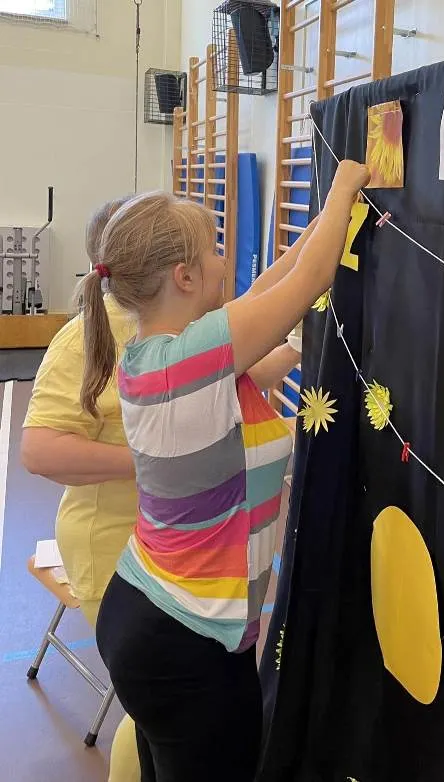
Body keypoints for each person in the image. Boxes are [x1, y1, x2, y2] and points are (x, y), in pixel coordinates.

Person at [87, 160, 370, 781]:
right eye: (215, 251)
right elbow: (307, 279)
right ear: (185, 277)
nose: (225, 262)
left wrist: (327, 220)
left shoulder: (165, 355)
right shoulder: (191, 356)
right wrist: (347, 184)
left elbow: (268, 289)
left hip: (157, 617)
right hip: (185, 640)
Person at [22, 196, 141, 782]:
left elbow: (241, 366)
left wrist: (298, 338)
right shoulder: (86, 337)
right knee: (155, 706)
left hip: (168, 541)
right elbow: (40, 450)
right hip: (112, 545)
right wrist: (150, 462)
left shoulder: (183, 324)